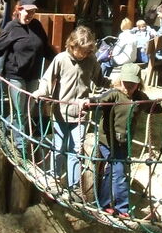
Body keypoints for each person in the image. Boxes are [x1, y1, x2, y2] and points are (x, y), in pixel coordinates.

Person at [90, 63, 162, 217]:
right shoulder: (114, 94)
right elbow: (99, 101)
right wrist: (88, 104)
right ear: (120, 81)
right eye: (126, 83)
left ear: (138, 83)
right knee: (119, 171)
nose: (128, 87)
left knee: (112, 171)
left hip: (123, 142)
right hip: (107, 141)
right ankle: (122, 209)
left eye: (133, 84)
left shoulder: (139, 98)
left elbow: (154, 107)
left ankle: (103, 203)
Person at [33, 26, 110, 195]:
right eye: (80, 51)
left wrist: (115, 85)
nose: (82, 54)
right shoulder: (61, 59)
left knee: (76, 150)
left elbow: (99, 80)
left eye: (86, 51)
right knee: (59, 148)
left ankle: (74, 186)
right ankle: (54, 178)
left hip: (81, 114)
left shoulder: (91, 61)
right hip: (60, 112)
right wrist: (41, 92)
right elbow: (48, 78)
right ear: (72, 45)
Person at [0, 0, 55, 153]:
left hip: (34, 75)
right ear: (20, 9)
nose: (30, 15)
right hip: (16, 75)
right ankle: (21, 147)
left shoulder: (37, 26)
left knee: (28, 110)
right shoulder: (11, 27)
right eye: (27, 12)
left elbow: (46, 48)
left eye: (33, 12)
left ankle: (6, 122)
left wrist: (58, 61)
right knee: (20, 111)